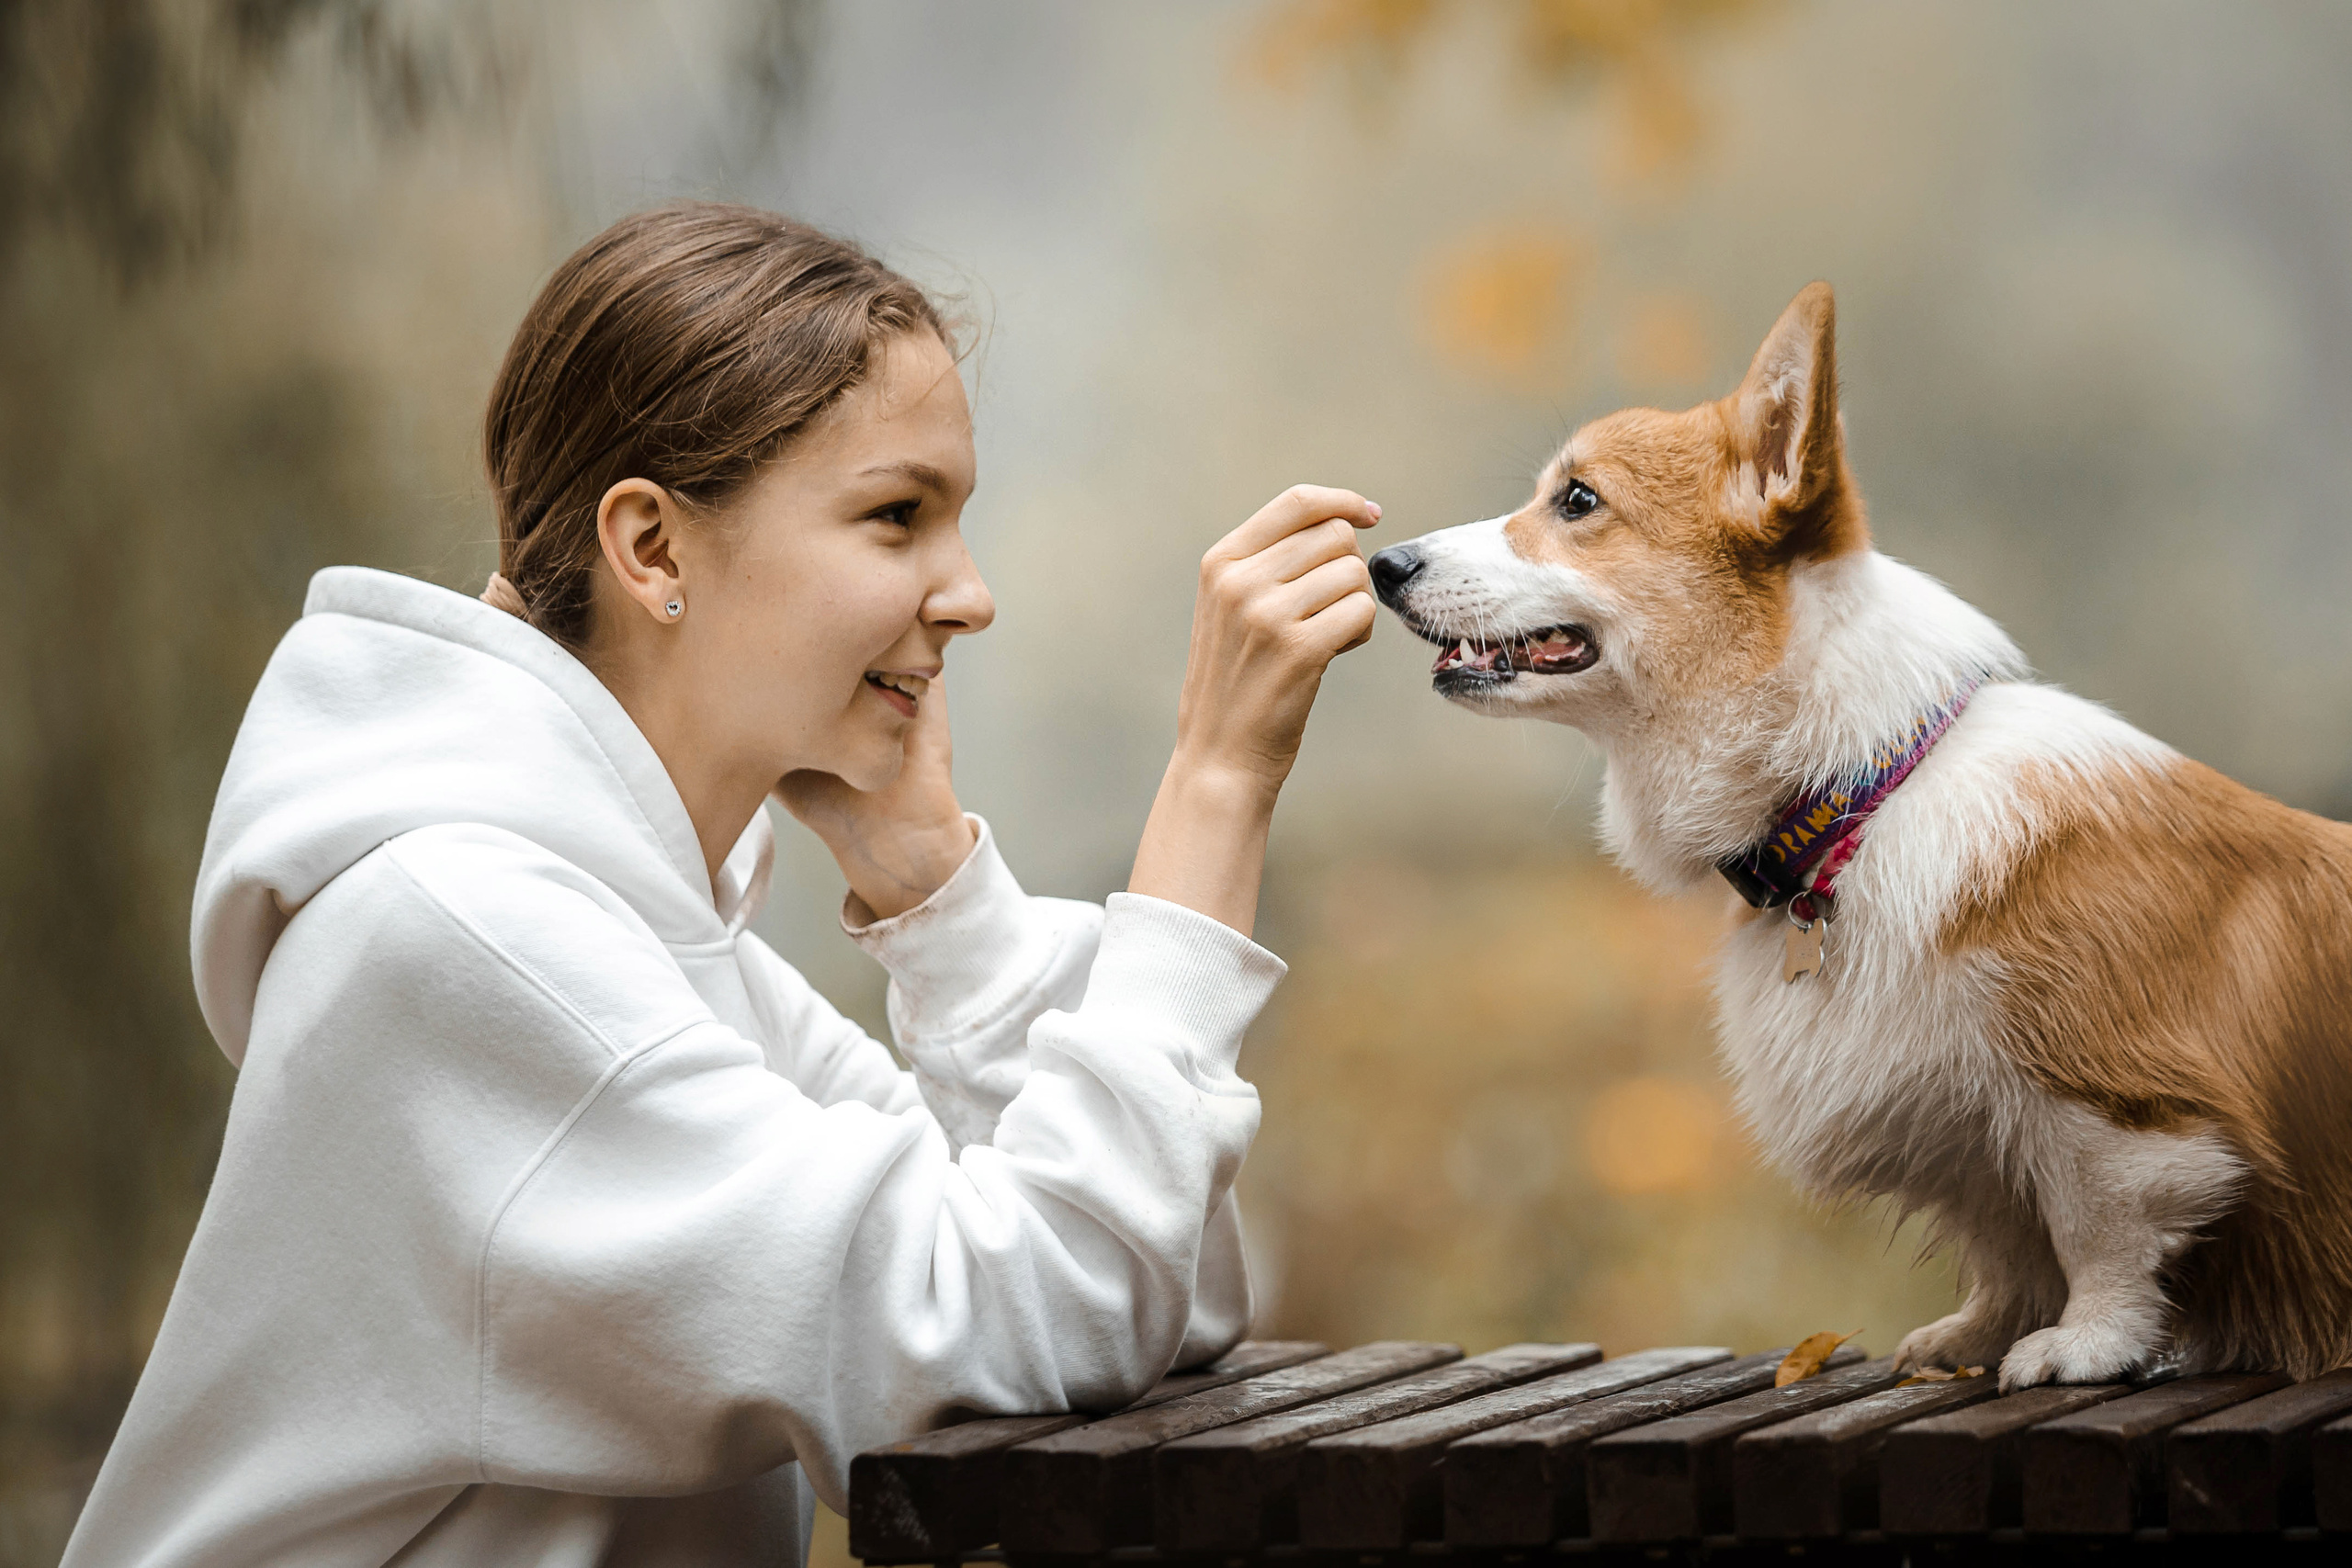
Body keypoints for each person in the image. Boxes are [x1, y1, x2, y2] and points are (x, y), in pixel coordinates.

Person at [62, 203, 1381, 1567]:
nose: (969, 594)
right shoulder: (475, 948)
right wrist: (1215, 789)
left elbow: (1154, 1297)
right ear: (651, 549)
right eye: (895, 517)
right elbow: (1054, 1310)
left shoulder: (648, 947)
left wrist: (941, 897)